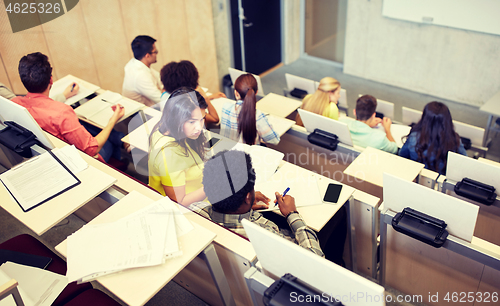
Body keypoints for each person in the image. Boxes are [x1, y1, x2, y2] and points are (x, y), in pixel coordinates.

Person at [191, 150, 324, 257]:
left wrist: (243, 207)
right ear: (248, 196)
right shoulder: (268, 239)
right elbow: (315, 260)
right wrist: (292, 214)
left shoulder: (194, 210)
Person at [12, 52, 125, 163]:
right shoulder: (62, 112)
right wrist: (113, 120)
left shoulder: (15, 104)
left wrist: (65, 95)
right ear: (51, 80)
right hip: (79, 161)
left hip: (49, 157)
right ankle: (116, 163)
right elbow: (92, 149)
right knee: (108, 138)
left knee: (86, 125)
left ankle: (120, 155)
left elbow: (40, 104)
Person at [148, 87, 209, 206]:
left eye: (202, 119)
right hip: (194, 208)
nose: (199, 128)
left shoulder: (163, 127)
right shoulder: (170, 156)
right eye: (192, 122)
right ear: (177, 119)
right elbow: (179, 202)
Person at [399, 101, 467, 174]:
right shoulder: (454, 141)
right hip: (440, 181)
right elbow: (464, 162)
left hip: (416, 177)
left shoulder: (413, 138)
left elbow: (402, 155)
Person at [159, 60, 224, 127]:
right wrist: (205, 98)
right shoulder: (187, 105)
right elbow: (215, 119)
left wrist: (211, 96)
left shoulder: (164, 94)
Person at [220, 74, 280, 145]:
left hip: (227, 153)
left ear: (236, 93)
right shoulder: (257, 115)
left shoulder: (226, 107)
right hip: (248, 155)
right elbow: (275, 140)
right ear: (256, 92)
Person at [122, 35, 163, 107]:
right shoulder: (140, 75)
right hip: (143, 115)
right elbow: (162, 100)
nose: (156, 54)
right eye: (155, 52)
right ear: (147, 55)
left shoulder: (135, 63)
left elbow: (160, 78)